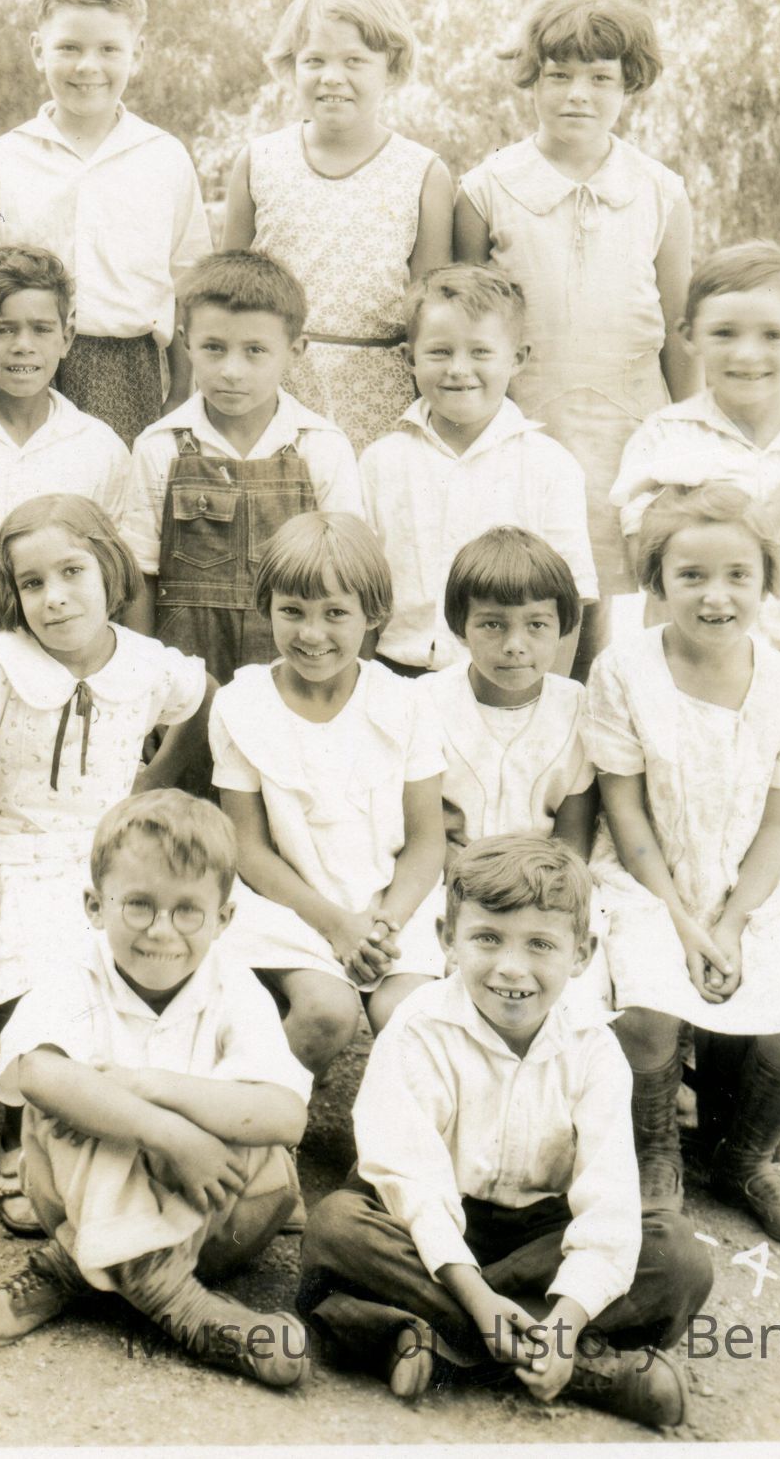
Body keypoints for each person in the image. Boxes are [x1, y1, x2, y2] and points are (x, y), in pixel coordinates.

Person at [299, 835, 712, 1429]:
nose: (511, 968)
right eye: (487, 938)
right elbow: (412, 1184)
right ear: (447, 939)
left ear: (582, 954)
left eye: (540, 944)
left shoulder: (595, 1048)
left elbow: (607, 1205)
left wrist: (566, 1321)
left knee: (679, 1259)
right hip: (430, 1224)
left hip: (542, 1236)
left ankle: (412, 1336)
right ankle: (586, 1369)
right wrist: (477, 1297)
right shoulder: (418, 1027)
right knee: (338, 1228)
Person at [0, 791, 311, 1387]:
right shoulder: (73, 973)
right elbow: (36, 1073)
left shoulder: (236, 988)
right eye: (139, 905)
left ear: (224, 919)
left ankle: (72, 1268)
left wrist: (151, 1087)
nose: (162, 931)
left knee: (229, 1116)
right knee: (67, 1102)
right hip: (83, 1199)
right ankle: (179, 1303)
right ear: (95, 905)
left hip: (216, 1220)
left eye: (188, 911)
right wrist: (165, 1135)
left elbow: (286, 1116)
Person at [586, 485, 780, 1253]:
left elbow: (779, 828)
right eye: (691, 575)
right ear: (657, 582)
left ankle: (745, 1161)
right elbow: (625, 810)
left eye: (739, 575)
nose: (716, 595)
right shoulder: (623, 670)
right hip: (648, 877)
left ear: (768, 580)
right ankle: (655, 1156)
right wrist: (679, 919)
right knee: (645, 1006)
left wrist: (732, 924)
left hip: (755, 883)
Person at [0, 494, 209, 1233]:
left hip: (104, 852)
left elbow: (200, 701)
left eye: (71, 573)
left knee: (125, 958)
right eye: (32, 583)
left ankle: (104, 1131)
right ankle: (18, 1136)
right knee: (34, 967)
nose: (53, 598)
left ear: (109, 569)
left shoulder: (146, 663)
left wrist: (150, 786)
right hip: (13, 847)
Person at [457, 0, 693, 677]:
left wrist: (688, 436)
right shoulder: (488, 188)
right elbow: (463, 320)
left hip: (630, 424)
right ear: (531, 80)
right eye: (557, 75)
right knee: (531, 588)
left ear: (628, 85)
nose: (577, 94)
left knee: (617, 592)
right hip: (525, 421)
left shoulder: (659, 191)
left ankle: (611, 727)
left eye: (599, 77)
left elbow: (680, 332)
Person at [610, 240, 780, 853]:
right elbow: (646, 561)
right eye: (724, 333)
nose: (747, 354)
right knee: (684, 849)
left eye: (772, 335)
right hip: (685, 682)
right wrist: (769, 522)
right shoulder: (666, 440)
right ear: (688, 335)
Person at [210, 512, 447, 1078]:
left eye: (335, 613)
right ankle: (246, 1115)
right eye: (292, 611)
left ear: (373, 614)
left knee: (410, 1016)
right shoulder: (242, 705)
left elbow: (426, 841)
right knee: (326, 1012)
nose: (312, 635)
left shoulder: (406, 703)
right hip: (289, 906)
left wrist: (383, 924)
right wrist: (335, 924)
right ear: (267, 606)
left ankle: (393, 1135)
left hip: (393, 907)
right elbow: (248, 849)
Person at [0, 0, 213, 443]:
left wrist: (181, 392)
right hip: (21, 356)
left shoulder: (163, 157)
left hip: (125, 370)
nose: (87, 66)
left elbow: (188, 283)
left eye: (109, 49)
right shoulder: (9, 155)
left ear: (138, 53)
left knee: (113, 487)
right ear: (39, 50)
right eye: (69, 48)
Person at [222, 0, 454, 452]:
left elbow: (429, 316)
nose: (332, 77)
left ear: (390, 67)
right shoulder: (258, 162)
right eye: (314, 60)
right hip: (273, 392)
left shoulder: (423, 174)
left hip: (382, 398)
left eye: (354, 61)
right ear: (291, 66)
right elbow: (226, 299)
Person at [125, 251, 361, 684]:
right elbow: (140, 573)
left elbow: (350, 577)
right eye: (214, 348)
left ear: (295, 350)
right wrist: (143, 679)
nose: (231, 371)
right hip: (185, 672)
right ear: (186, 342)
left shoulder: (321, 447)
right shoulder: (159, 447)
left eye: (255, 351)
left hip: (293, 667)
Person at [358, 264, 596, 675]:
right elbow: (357, 586)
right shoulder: (381, 461)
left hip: (508, 679)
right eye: (440, 351)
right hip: (396, 676)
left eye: (480, 352)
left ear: (517, 358)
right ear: (409, 357)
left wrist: (548, 696)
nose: (458, 369)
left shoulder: (550, 465)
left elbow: (570, 596)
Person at [0, 247, 146, 626]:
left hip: (70, 628)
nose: (23, 345)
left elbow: (118, 572)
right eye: (3, 329)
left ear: (66, 338)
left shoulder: (99, 446)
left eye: (41, 329)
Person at [420, 529, 596, 859]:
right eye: (493, 624)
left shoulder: (577, 708)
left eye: (536, 625)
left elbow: (573, 844)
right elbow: (419, 836)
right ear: (460, 627)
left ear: (562, 627)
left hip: (544, 875)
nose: (514, 645)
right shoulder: (424, 702)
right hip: (447, 872)